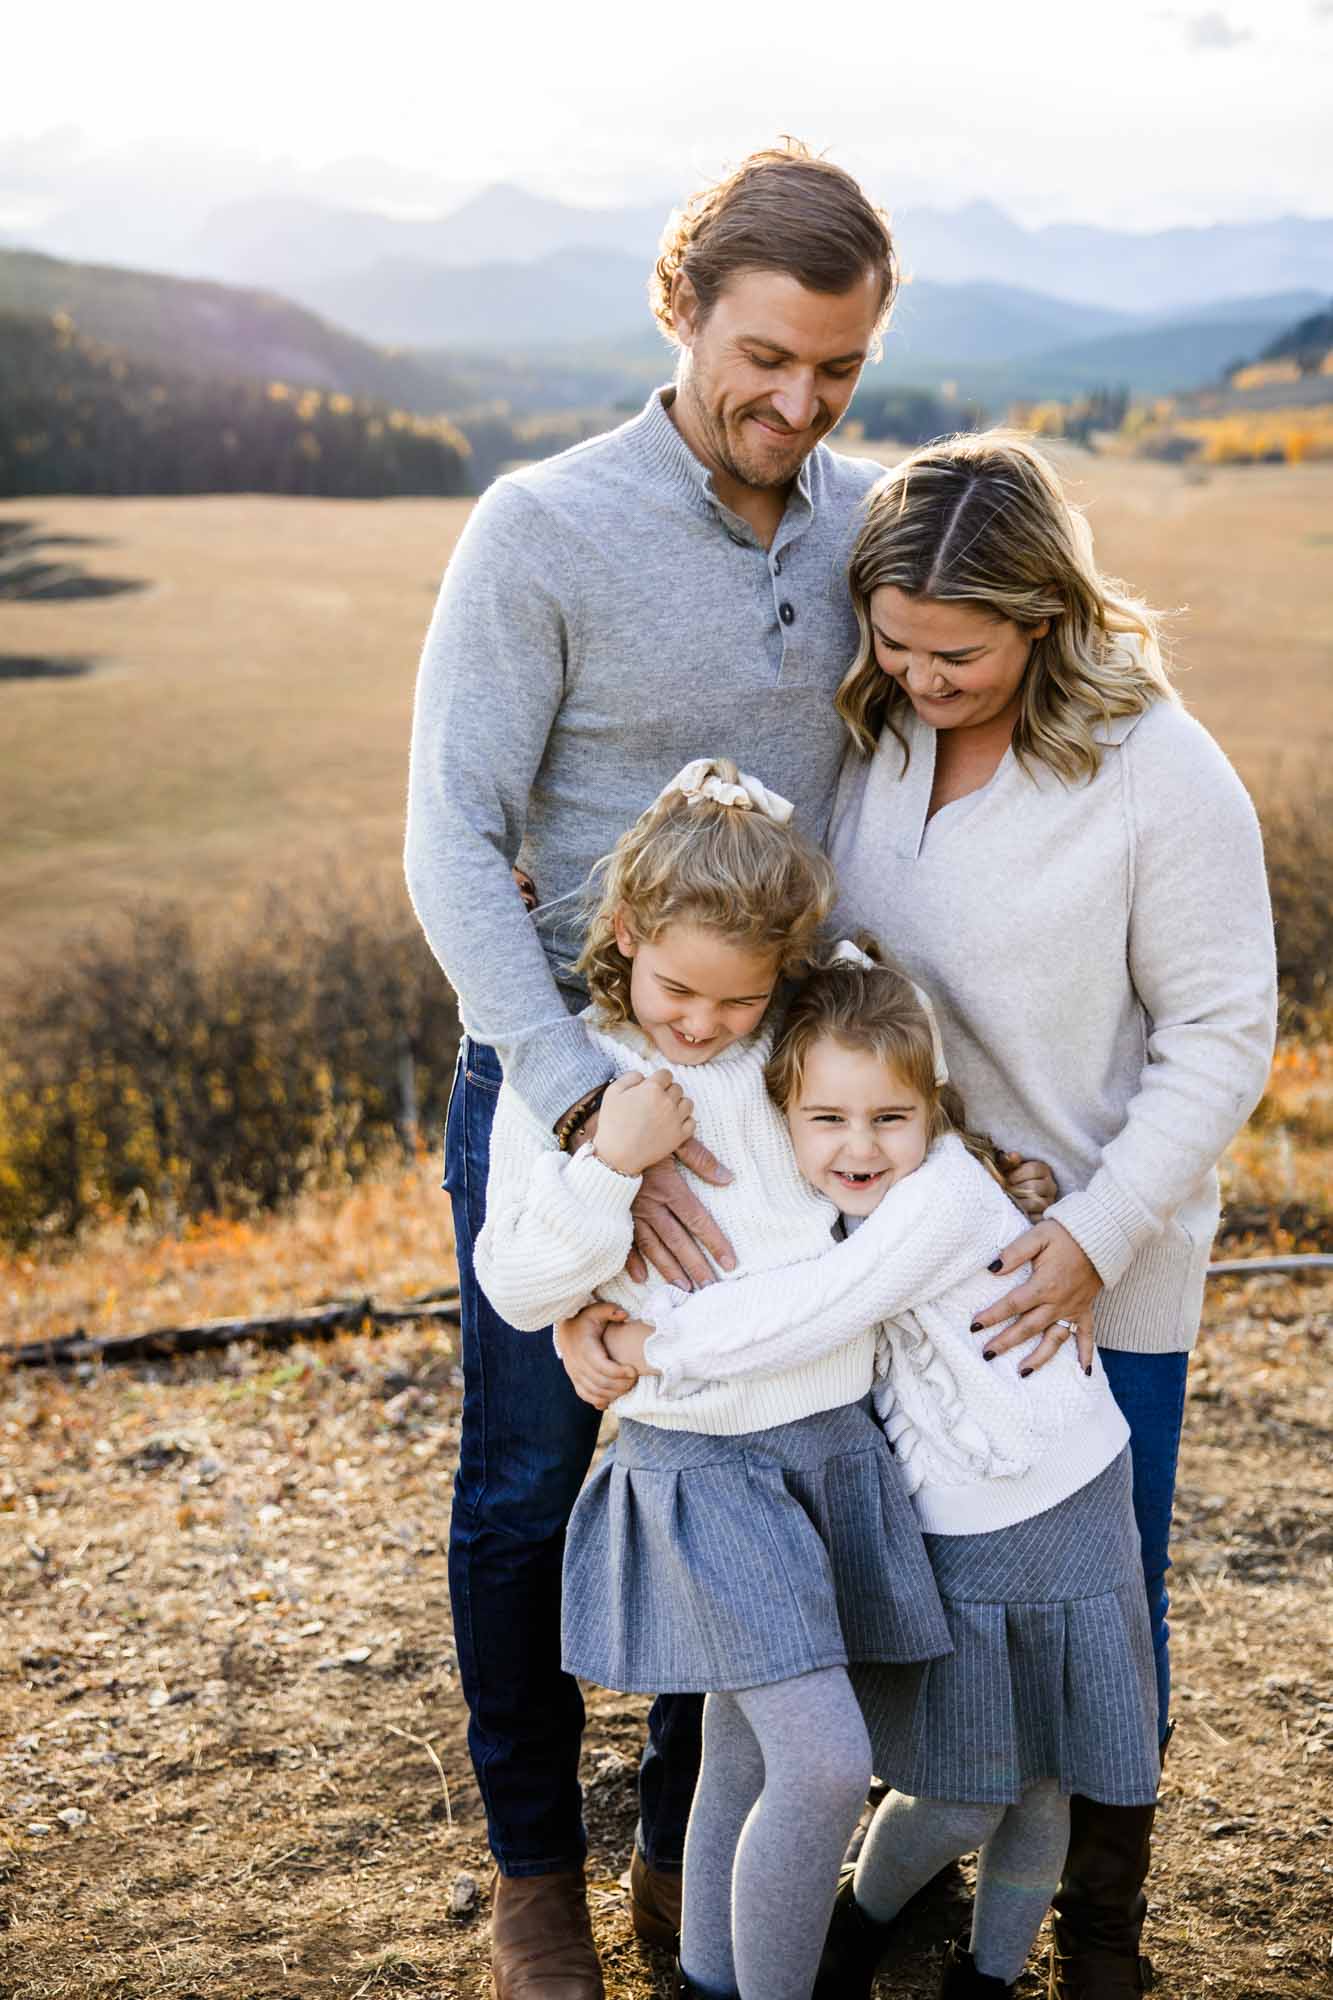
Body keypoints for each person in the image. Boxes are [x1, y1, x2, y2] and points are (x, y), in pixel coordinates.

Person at [404, 140, 902, 1998]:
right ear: (677, 310)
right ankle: (536, 1872)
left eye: (836, 370)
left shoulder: (866, 526)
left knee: (750, 1480)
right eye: (764, 355)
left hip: (777, 1114)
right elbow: (450, 837)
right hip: (557, 1094)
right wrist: (575, 1107)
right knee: (528, 1492)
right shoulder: (539, 526)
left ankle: (688, 1852)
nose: (797, 401)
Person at [824, 431, 1277, 1997]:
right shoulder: (876, 736)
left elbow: (1226, 1031)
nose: (919, 676)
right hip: (906, 1260)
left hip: (1096, 1266)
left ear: (1046, 617)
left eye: (957, 651)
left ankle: (1097, 1934)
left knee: (1094, 1609)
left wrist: (1092, 1239)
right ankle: (936, 1863)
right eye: (891, 642)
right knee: (930, 1580)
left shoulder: (1155, 767)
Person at [569, 945, 1161, 1999]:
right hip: (957, 1518)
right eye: (827, 1118)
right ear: (783, 1116)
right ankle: (847, 1930)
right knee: (964, 1777)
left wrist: (651, 1346)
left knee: (1034, 1777)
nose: (858, 1144)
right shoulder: (841, 1203)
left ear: (930, 1111)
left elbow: (815, 1309)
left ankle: (981, 1973)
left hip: (1057, 1503)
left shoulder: (937, 1199)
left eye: (889, 1116)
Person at [473, 765, 954, 2000]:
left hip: (831, 1449)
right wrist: (607, 1165)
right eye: (676, 986)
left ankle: (709, 1978)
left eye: (737, 997)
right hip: (705, 1468)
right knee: (822, 1760)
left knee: (743, 1753)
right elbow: (519, 1280)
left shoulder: (794, 1036)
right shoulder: (581, 1077)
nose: (698, 1022)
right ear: (623, 933)